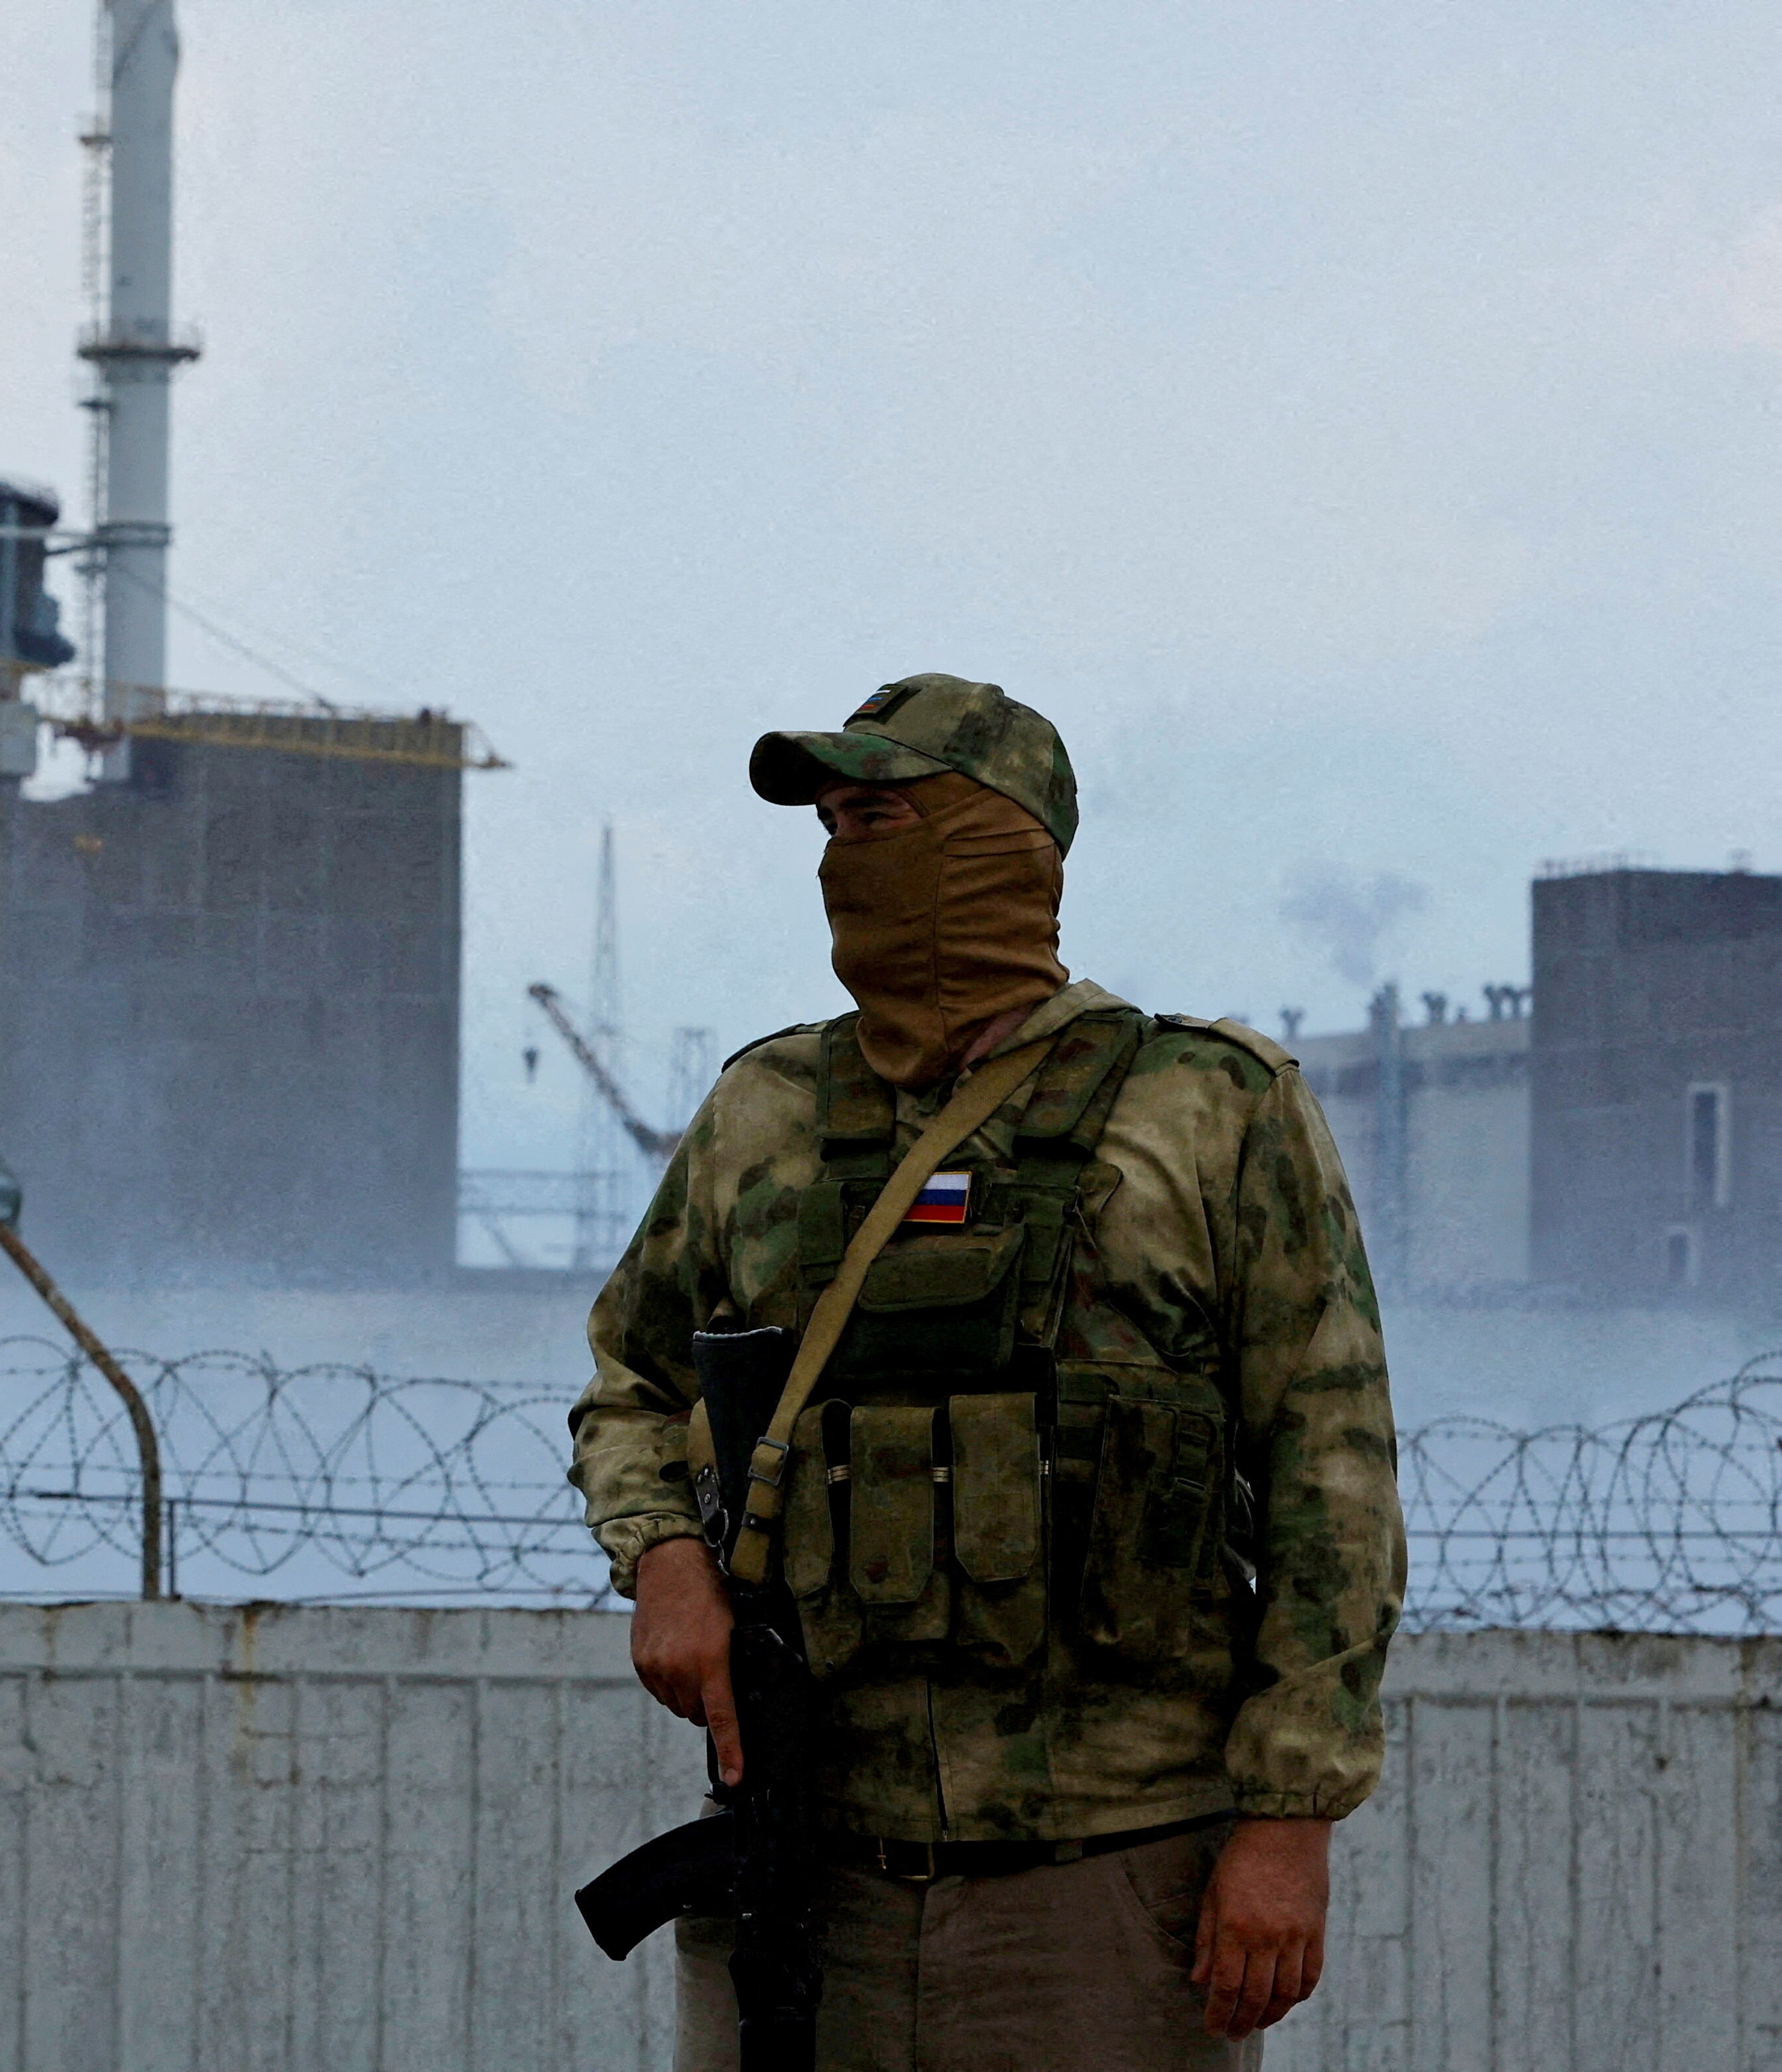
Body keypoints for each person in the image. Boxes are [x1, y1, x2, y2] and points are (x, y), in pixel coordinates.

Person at [568, 675, 1405, 2072]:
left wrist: (1287, 1819)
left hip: (1106, 1876)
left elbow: (1334, 1476)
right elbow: (632, 1378)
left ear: (1004, 842)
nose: (848, 856)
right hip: (807, 1863)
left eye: (884, 815)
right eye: (831, 823)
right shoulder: (764, 1110)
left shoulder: (1208, 1106)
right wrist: (662, 1556)